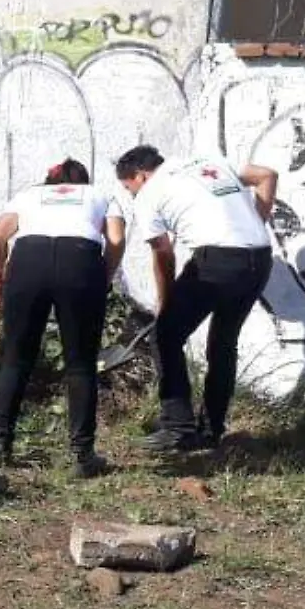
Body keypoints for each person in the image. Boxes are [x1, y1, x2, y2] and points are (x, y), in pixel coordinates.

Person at [114, 144, 278, 452]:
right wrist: (258, 220)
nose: (131, 195)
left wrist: (165, 303)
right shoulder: (209, 160)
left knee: (165, 336)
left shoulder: (151, 193)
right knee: (223, 342)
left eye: (129, 188)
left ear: (140, 175)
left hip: (216, 260)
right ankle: (211, 430)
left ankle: (177, 426)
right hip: (259, 258)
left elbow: (163, 254)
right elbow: (267, 175)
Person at [0, 158, 127, 477]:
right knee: (81, 362)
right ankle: (82, 456)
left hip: (29, 261)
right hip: (80, 262)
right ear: (83, 182)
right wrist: (104, 276)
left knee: (16, 360)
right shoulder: (101, 195)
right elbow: (115, 240)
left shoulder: (28, 196)